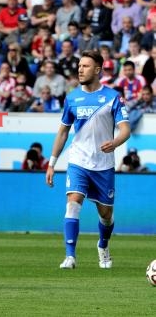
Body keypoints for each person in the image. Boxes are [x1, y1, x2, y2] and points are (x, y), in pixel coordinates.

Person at [45, 50, 131, 270]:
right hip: (78, 161)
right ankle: (70, 256)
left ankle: (103, 245)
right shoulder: (72, 97)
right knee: (73, 203)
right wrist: (52, 163)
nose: (80, 69)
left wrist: (115, 142)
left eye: (85, 66)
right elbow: (63, 132)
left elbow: (125, 130)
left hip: (104, 164)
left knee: (106, 215)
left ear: (98, 69)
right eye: (79, 66)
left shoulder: (113, 97)